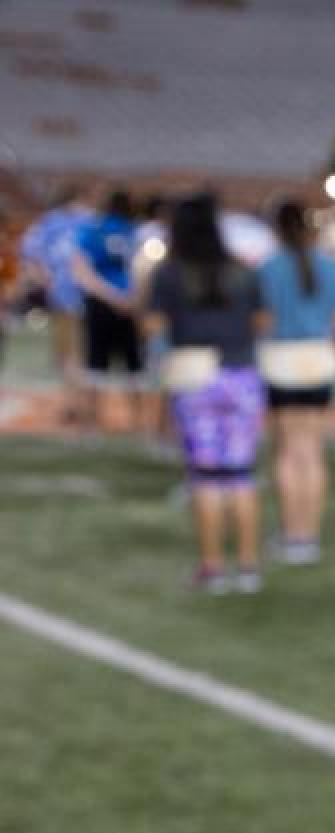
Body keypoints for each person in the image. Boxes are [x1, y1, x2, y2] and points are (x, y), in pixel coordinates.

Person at [144, 195, 266, 594]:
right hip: (241, 374)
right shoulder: (241, 271)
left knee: (207, 477)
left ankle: (212, 567)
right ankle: (248, 567)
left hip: (194, 375)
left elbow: (152, 326)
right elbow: (263, 320)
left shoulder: (169, 272)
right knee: (241, 475)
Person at [256, 199, 335, 565]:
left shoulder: (268, 268)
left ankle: (292, 534)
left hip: (280, 360)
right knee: (312, 451)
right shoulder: (331, 266)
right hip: (319, 361)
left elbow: (261, 320)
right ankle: (309, 536)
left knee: (286, 452)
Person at [71, 188, 143, 434]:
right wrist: (129, 299)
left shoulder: (92, 230)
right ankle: (138, 424)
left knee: (95, 365)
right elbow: (144, 270)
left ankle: (92, 424)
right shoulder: (136, 232)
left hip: (100, 304)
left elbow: (80, 270)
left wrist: (108, 296)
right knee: (134, 367)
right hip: (130, 304)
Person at [20, 186, 92, 425]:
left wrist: (46, 280)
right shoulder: (87, 221)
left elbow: (30, 254)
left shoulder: (50, 223)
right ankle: (80, 404)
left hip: (65, 296)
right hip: (90, 296)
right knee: (78, 354)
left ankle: (75, 403)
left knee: (69, 355)